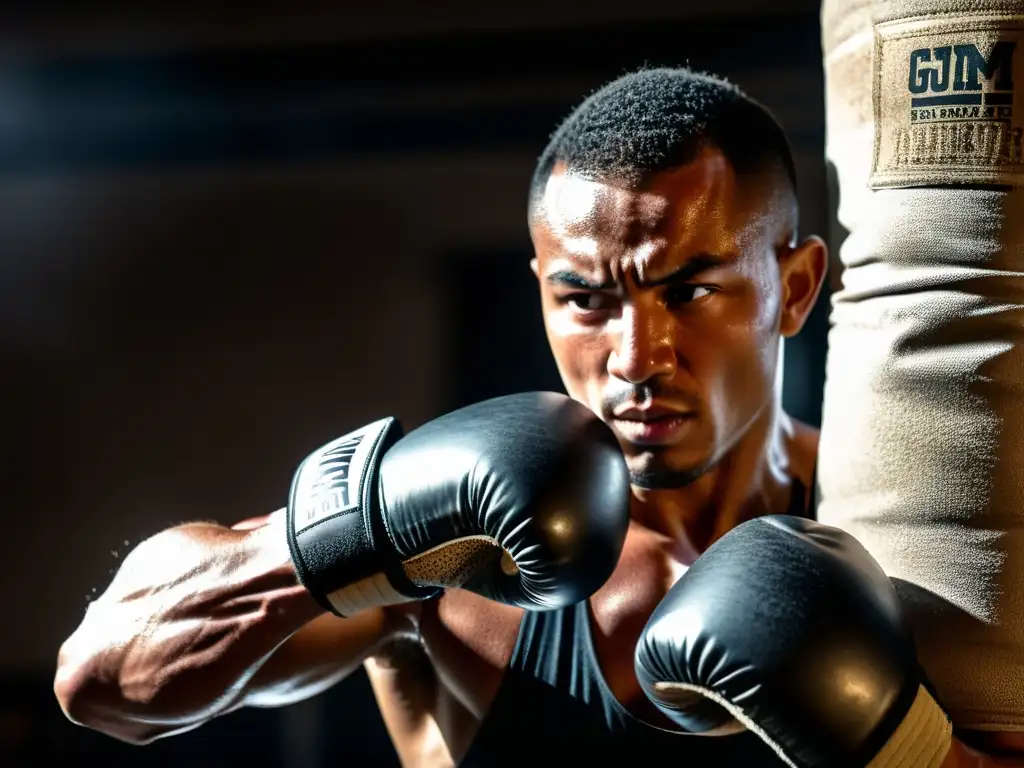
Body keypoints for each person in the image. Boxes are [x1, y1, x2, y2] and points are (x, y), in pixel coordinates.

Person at [54, 67, 997, 767]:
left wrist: (904, 753)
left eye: (692, 290)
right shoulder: (454, 557)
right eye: (585, 298)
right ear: (541, 294)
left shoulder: (907, 535)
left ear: (794, 290)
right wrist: (357, 529)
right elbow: (102, 684)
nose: (634, 357)